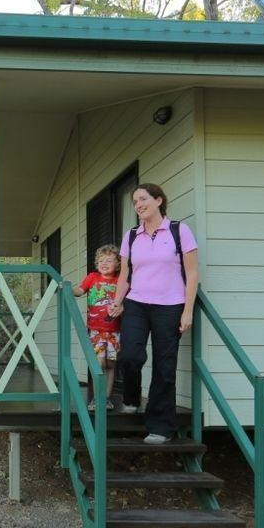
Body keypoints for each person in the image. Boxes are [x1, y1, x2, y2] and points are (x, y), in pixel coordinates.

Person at [107, 183, 198, 444]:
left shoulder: (180, 231)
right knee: (130, 355)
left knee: (164, 365)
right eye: (135, 201)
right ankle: (132, 397)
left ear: (159, 200)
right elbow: (125, 274)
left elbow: (192, 274)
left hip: (171, 305)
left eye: (143, 199)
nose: (138, 205)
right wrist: (117, 301)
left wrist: (187, 311)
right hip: (136, 302)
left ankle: (160, 426)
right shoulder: (132, 235)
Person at [73, 244, 121, 411]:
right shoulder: (92, 277)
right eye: (101, 260)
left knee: (110, 364)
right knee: (98, 363)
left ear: (118, 263)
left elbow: (127, 301)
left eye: (109, 260)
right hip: (96, 329)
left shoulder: (119, 281)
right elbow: (79, 290)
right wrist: (67, 288)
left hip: (115, 330)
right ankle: (96, 398)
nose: (104, 263)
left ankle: (106, 398)